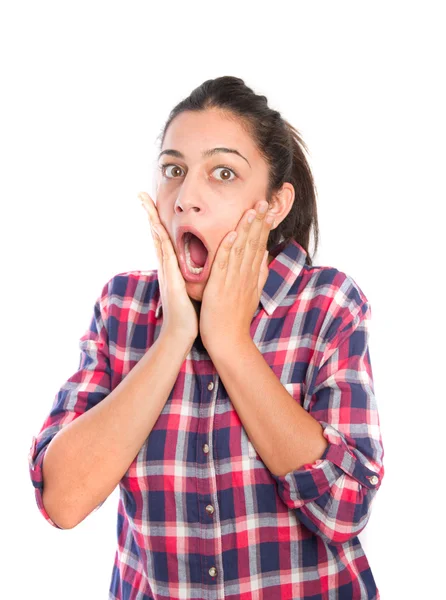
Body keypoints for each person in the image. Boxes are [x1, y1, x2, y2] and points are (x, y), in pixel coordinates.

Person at [28, 76, 384, 600]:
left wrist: (230, 343)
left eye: (223, 173)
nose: (186, 198)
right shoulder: (123, 306)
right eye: (174, 170)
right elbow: (62, 499)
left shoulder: (326, 303)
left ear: (275, 204)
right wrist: (174, 335)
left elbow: (345, 508)